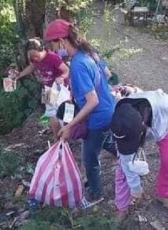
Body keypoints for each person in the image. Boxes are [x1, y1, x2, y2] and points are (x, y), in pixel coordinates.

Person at [44, 19, 117, 202]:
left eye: (53, 44)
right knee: (104, 140)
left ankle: (95, 193)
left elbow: (92, 101)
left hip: (97, 116)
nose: (53, 49)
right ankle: (127, 158)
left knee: (89, 159)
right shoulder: (90, 53)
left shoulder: (77, 64)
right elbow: (107, 75)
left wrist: (70, 126)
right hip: (109, 109)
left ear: (61, 40)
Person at [110, 89, 168, 220]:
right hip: (137, 133)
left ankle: (164, 195)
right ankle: (121, 206)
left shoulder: (162, 102)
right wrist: (135, 187)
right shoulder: (120, 117)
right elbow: (126, 161)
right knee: (122, 169)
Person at [16, 38, 69, 137]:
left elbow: (67, 70)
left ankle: (67, 135)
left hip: (60, 88)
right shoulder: (33, 58)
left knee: (64, 114)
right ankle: (57, 138)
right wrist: (20, 75)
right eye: (32, 56)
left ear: (42, 49)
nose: (35, 58)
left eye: (37, 56)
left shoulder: (53, 57)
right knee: (51, 113)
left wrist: (61, 77)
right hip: (48, 89)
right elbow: (32, 67)